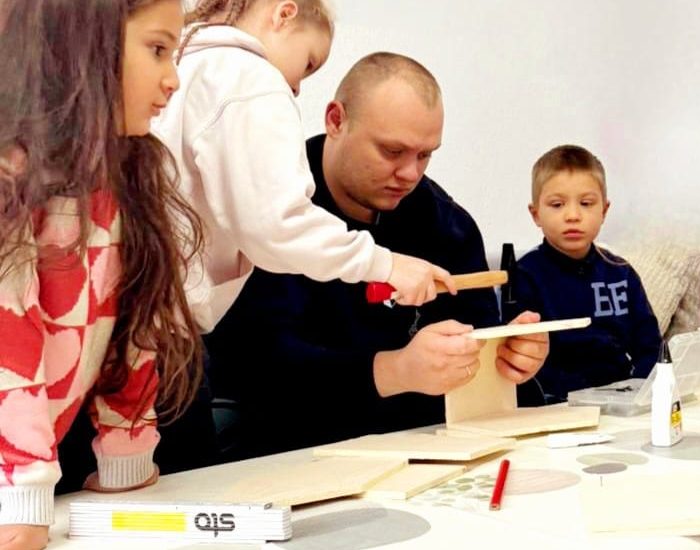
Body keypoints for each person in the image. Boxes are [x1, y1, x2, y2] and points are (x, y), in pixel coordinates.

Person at [205, 52, 549, 460]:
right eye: (391, 151)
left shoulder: (446, 225)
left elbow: (478, 341)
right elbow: (250, 372)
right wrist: (394, 371)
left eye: (425, 155)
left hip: (426, 447)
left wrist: (507, 359)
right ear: (335, 120)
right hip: (294, 453)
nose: (410, 174)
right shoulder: (270, 213)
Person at [0, 1, 203, 548]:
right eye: (157, 50)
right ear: (85, 43)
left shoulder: (127, 172)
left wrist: (125, 466)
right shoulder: (11, 173)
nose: (172, 79)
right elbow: (7, 343)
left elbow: (134, 329)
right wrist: (22, 497)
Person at [156, 0, 454, 334]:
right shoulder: (253, 79)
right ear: (284, 14)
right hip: (165, 326)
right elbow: (277, 223)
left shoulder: (181, 69)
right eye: (308, 64)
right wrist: (385, 264)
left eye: (425, 155)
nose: (296, 88)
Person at [506, 145, 661, 404]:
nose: (573, 216)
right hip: (555, 405)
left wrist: (640, 393)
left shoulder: (621, 273)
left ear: (604, 211)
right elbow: (519, 359)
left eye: (586, 204)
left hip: (622, 401)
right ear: (536, 214)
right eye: (557, 205)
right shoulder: (524, 276)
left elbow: (650, 347)